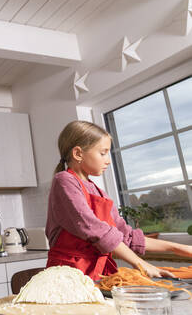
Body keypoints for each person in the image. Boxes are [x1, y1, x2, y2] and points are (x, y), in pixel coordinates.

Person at [45, 120, 192, 280]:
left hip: (98, 273)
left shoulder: (100, 193)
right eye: (103, 153)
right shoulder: (64, 181)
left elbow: (126, 236)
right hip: (68, 274)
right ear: (78, 153)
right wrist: (141, 264)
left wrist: (179, 248)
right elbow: (93, 228)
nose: (108, 160)